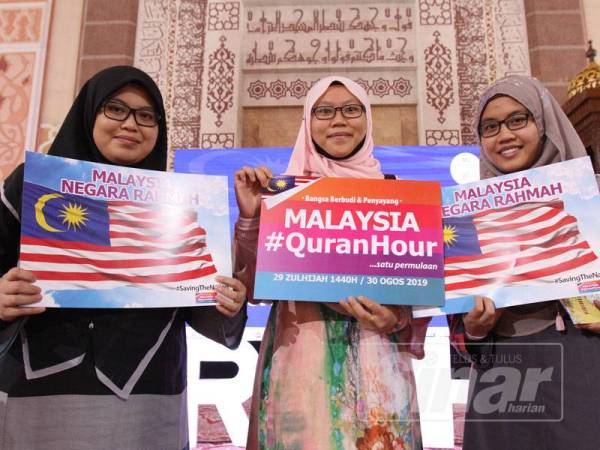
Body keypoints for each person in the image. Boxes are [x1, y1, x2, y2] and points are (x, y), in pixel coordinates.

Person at [0, 65, 247, 450]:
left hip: (149, 396)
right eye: (115, 109)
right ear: (89, 113)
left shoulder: (181, 208)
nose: (131, 124)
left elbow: (200, 310)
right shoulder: (26, 188)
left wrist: (225, 305)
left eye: (147, 116)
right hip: (41, 387)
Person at [234, 76, 429, 450]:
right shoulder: (284, 194)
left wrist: (396, 320)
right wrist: (250, 217)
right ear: (308, 122)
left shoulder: (398, 192)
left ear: (367, 118)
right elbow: (255, 289)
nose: (338, 120)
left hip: (377, 357)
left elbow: (418, 296)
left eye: (350, 109)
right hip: (303, 356)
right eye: (324, 111)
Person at [450, 75, 600, 450]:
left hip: (581, 363)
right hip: (501, 370)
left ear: (544, 123)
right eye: (490, 127)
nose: (504, 135)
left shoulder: (591, 200)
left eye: (518, 120)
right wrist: (476, 328)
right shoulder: (463, 217)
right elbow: (459, 330)